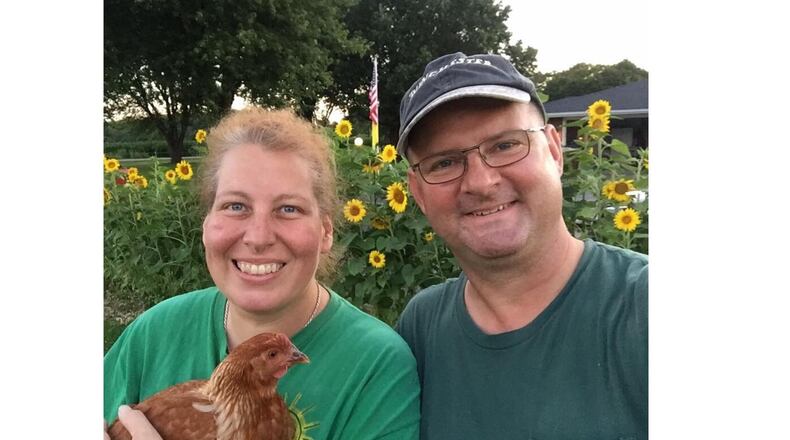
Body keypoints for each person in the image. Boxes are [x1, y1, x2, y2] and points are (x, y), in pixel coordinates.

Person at [104, 107, 420, 439]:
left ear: (326, 231)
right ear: (207, 224)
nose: (258, 237)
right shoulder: (154, 334)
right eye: (235, 206)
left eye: (289, 209)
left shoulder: (375, 365)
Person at [394, 52, 648, 439]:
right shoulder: (421, 328)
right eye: (443, 163)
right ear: (418, 193)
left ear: (554, 151)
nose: (481, 182)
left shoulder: (643, 307)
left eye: (505, 145)